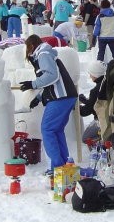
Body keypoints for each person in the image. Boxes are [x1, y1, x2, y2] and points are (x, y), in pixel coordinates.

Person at [19, 35, 77, 171]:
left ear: (32, 45)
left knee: (48, 129)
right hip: (65, 96)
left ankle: (57, 168)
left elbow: (52, 76)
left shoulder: (43, 53)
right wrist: (38, 98)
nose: (27, 52)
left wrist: (33, 84)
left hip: (61, 97)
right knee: (56, 130)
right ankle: (64, 166)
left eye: (27, 48)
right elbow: (52, 83)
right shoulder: (45, 53)